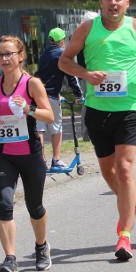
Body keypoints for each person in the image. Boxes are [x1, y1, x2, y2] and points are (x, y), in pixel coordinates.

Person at [59, 0, 136, 261]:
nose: (113, 3)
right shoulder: (87, 29)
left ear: (127, 3)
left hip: (129, 106)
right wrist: (85, 74)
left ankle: (124, 236)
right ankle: (131, 201)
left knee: (124, 168)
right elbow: (64, 61)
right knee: (108, 171)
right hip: (97, 108)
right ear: (101, 3)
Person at [0, 36, 55, 272]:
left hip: (30, 152)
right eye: (0, 55)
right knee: (4, 204)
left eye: (8, 54)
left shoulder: (32, 84)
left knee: (35, 207)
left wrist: (29, 109)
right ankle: (10, 259)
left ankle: (41, 246)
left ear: (20, 56)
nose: (3, 59)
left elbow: (49, 116)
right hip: (4, 152)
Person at [36, 27, 84, 169]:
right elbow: (71, 76)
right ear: (62, 40)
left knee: (40, 128)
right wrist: (78, 95)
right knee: (56, 127)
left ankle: (40, 161)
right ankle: (56, 160)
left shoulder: (44, 54)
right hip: (51, 96)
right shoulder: (62, 55)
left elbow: (45, 75)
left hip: (37, 94)